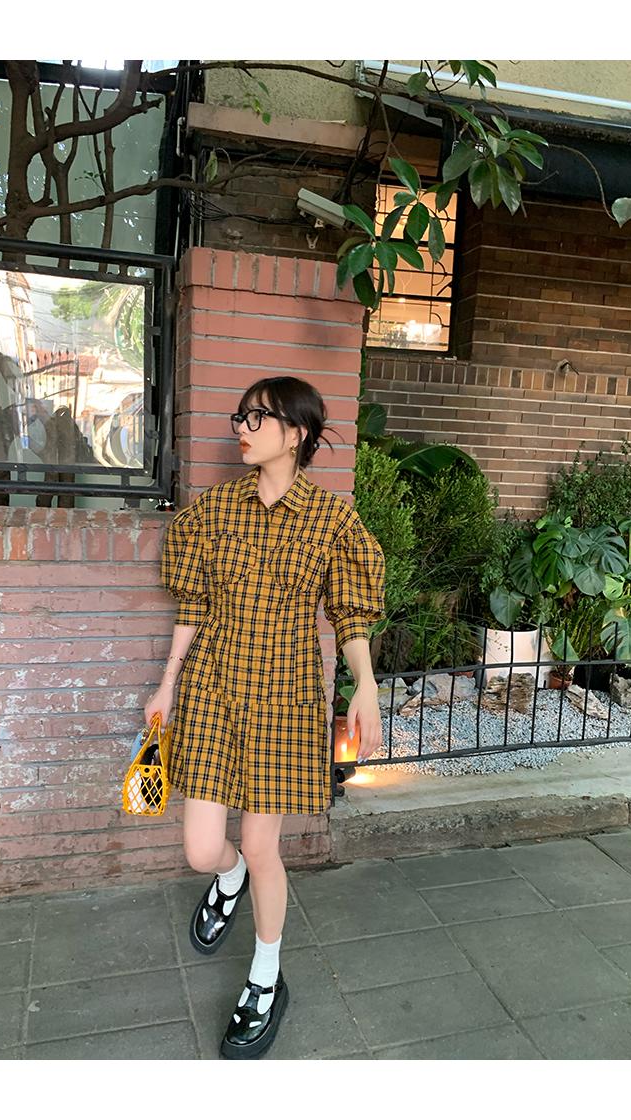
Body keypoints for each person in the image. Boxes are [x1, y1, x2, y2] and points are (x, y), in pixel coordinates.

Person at [145, 375, 385, 1059]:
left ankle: (265, 978)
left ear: (296, 433)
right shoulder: (215, 510)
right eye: (240, 417)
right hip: (213, 690)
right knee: (202, 848)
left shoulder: (332, 521)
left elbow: (350, 613)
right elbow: (193, 604)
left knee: (260, 846)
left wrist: (365, 684)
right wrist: (166, 685)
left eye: (258, 418)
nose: (242, 429)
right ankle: (226, 880)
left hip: (284, 698)